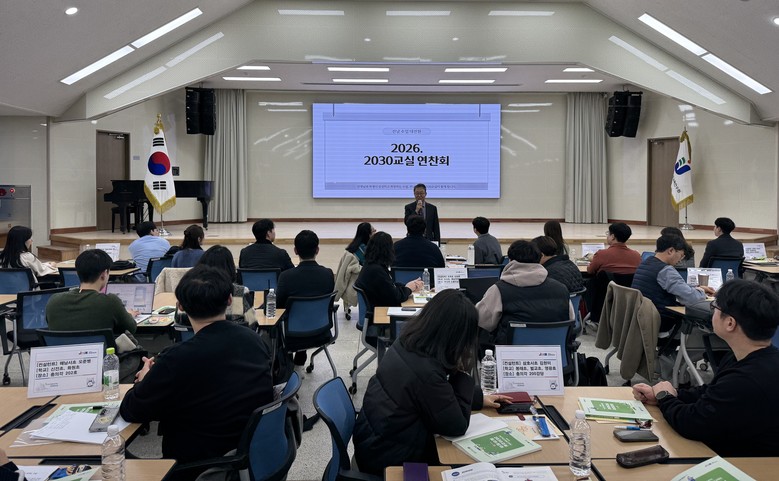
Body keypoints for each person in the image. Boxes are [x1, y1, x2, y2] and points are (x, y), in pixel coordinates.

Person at [119, 265, 273, 479]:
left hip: (197, 466)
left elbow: (131, 410)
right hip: (251, 452)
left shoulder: (175, 359)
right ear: (230, 300)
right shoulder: (255, 340)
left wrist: (144, 380)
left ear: (180, 306)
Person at [353, 289, 511, 474]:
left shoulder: (407, 343)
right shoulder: (426, 373)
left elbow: (437, 398)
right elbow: (456, 426)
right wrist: (461, 371)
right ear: (457, 337)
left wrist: (478, 398)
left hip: (374, 443)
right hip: (392, 460)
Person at [632, 279, 779, 457]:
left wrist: (665, 397)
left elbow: (692, 424)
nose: (712, 312)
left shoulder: (745, 379)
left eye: (714, 307)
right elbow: (711, 393)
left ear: (730, 323)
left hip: (750, 464)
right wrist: (672, 394)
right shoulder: (748, 357)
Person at [477, 240, 572, 346]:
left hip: (511, 354)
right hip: (555, 353)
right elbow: (571, 323)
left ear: (510, 260)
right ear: (539, 259)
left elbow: (481, 321)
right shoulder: (561, 289)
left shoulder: (499, 290)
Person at [632, 234, 715, 331]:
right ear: (671, 251)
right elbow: (692, 298)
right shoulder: (665, 270)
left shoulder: (646, 262)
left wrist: (697, 288)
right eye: (681, 255)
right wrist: (702, 291)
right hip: (660, 319)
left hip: (641, 317)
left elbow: (679, 287)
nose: (680, 260)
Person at [276, 230, 335, 365]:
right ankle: (300, 356)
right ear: (317, 250)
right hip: (321, 331)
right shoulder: (328, 274)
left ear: (295, 251)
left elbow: (278, 306)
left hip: (292, 334)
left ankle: (285, 364)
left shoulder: (286, 276)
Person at [46, 249, 137, 336]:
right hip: (100, 348)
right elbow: (130, 329)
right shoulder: (110, 302)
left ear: (77, 273)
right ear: (104, 274)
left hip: (63, 348)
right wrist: (129, 315)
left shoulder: (54, 301)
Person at [354, 232, 423, 308]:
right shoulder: (376, 271)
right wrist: (408, 289)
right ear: (387, 250)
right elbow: (396, 297)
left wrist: (408, 286)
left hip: (378, 305)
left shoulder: (371, 265)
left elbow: (389, 286)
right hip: (381, 310)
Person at [196, 245, 256, 325]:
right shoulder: (240, 292)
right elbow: (252, 323)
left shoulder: (190, 292)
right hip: (234, 333)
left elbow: (181, 324)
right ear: (230, 267)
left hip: (197, 333)